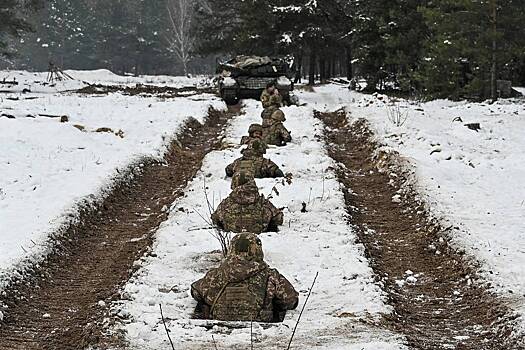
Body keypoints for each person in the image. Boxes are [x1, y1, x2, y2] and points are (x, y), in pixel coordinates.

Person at [191, 233, 299, 322]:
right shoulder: (270, 275)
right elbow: (291, 300)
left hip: (219, 327)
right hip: (259, 328)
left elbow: (196, 292)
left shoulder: (216, 275)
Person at [211, 176, 283, 234]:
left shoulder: (226, 203)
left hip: (231, 237)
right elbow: (278, 219)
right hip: (261, 239)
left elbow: (215, 219)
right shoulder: (263, 202)